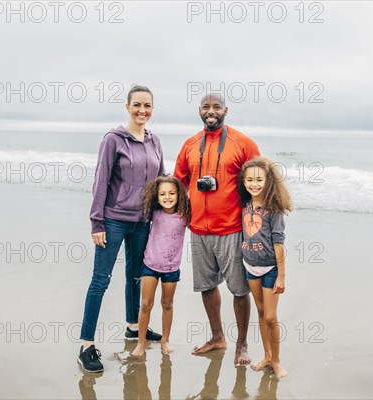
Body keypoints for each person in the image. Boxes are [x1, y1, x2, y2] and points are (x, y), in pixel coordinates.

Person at [78, 85, 165, 373]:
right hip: (113, 220)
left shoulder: (154, 141)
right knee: (100, 280)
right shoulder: (113, 140)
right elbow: (100, 180)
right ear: (127, 107)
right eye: (137, 105)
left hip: (142, 222)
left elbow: (162, 179)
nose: (143, 110)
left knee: (136, 278)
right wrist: (97, 222)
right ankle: (86, 345)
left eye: (148, 106)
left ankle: (132, 327)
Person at [174, 93, 260, 367]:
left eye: (216, 107)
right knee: (206, 286)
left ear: (226, 111)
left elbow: (259, 182)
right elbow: (177, 184)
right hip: (198, 229)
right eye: (206, 107)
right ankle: (217, 337)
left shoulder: (243, 143)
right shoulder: (189, 144)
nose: (211, 111)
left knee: (238, 289)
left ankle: (242, 344)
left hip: (232, 229)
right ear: (199, 111)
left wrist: (257, 225)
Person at [238, 157, 292, 378]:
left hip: (270, 269)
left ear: (268, 181)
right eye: (249, 179)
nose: (254, 184)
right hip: (250, 266)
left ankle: (277, 361)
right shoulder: (245, 205)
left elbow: (279, 244)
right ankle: (267, 356)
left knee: (270, 317)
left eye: (259, 179)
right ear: (243, 181)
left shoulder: (274, 209)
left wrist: (281, 276)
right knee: (260, 313)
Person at [132, 175, 189, 356]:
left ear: (179, 194)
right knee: (146, 304)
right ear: (156, 197)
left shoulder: (185, 214)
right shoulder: (154, 212)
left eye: (172, 193)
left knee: (167, 304)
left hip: (171, 268)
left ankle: (165, 340)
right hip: (150, 265)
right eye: (162, 194)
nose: (167, 197)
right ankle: (141, 343)